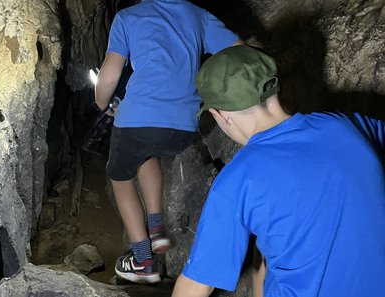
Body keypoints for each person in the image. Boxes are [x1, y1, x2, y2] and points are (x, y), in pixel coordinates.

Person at [172, 45, 385, 296]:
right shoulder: (347, 126)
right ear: (275, 88)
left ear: (220, 115)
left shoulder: (238, 181)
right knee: (262, 250)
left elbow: (195, 287)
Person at [94, 0, 242, 284]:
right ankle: (156, 227)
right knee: (148, 156)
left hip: (137, 118)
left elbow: (109, 75)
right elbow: (238, 51)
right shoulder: (197, 14)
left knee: (120, 177)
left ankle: (142, 261)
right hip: (184, 124)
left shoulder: (128, 17)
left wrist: (102, 103)